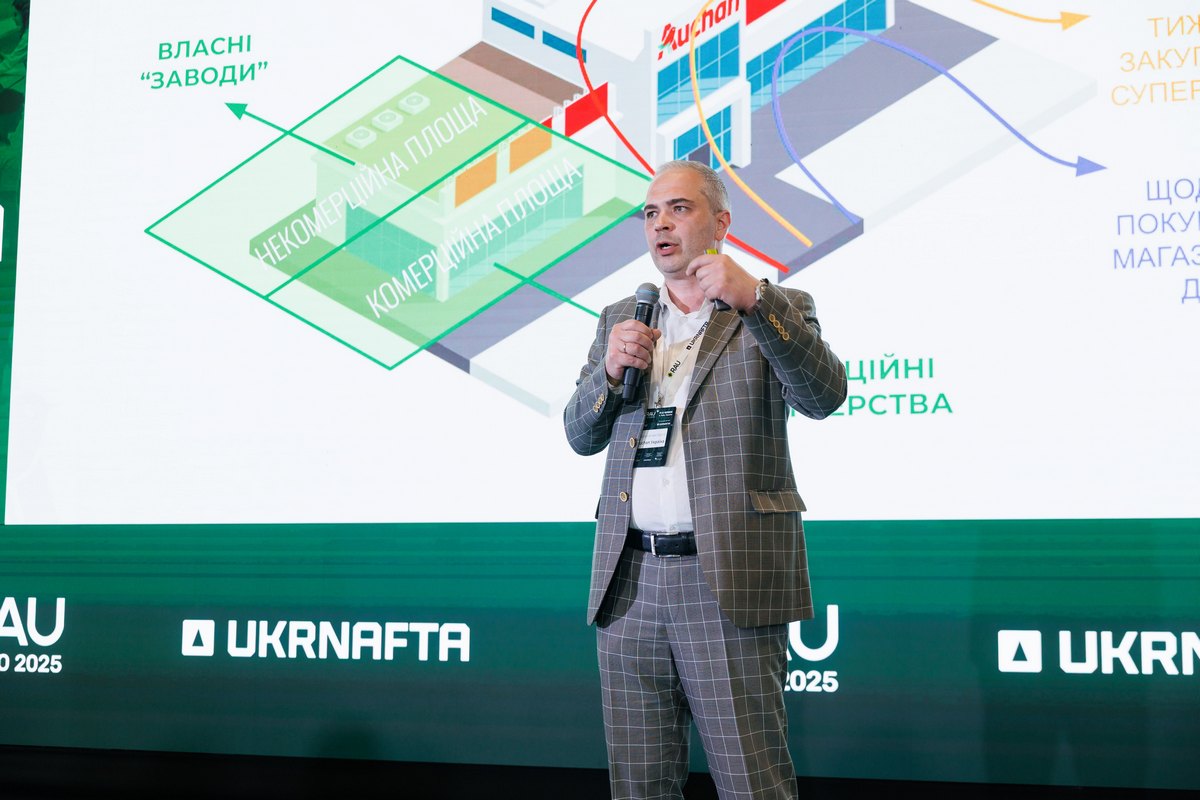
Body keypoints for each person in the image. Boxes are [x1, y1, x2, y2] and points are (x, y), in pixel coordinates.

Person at [563, 160, 847, 799]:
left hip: (727, 578)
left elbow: (824, 395)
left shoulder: (770, 308)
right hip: (630, 581)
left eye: (679, 208)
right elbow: (580, 435)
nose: (660, 223)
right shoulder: (621, 318)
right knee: (639, 786)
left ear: (720, 223)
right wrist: (609, 374)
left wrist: (757, 300)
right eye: (650, 213)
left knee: (752, 782)